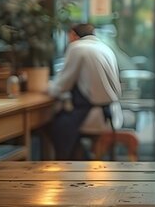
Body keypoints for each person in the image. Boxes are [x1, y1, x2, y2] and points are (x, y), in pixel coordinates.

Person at [48, 23, 123, 160]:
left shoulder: (77, 47)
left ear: (73, 35)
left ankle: (67, 168)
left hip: (92, 114)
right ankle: (81, 160)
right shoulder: (104, 47)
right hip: (112, 113)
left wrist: (46, 87)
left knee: (56, 128)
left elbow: (62, 85)